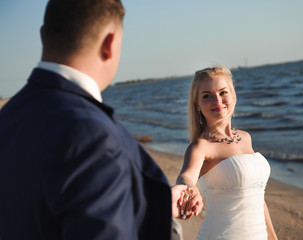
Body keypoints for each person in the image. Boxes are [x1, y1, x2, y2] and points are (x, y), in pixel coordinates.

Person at [0, 0, 189, 239]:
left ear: (42, 35)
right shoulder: (91, 135)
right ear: (110, 43)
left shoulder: (8, 116)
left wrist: (151, 204)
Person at [176, 65, 278, 239]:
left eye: (223, 92)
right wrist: (189, 189)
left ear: (233, 96)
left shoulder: (245, 137)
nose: (217, 100)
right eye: (207, 96)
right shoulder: (201, 147)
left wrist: (273, 237)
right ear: (197, 105)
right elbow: (186, 177)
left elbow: (258, 197)